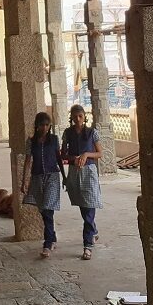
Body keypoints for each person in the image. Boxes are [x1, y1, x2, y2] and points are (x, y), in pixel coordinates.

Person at [20, 112, 66, 258]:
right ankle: (52, 236)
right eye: (42, 125)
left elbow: (58, 158)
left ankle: (47, 243)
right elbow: (28, 162)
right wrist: (24, 181)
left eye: (47, 125)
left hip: (52, 176)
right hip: (37, 177)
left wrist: (64, 176)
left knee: (48, 207)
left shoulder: (54, 140)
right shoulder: (31, 142)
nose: (44, 128)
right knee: (43, 210)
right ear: (37, 126)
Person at [61, 104, 103, 260]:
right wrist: (74, 158)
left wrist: (86, 154)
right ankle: (94, 230)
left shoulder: (92, 133)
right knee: (83, 207)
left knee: (89, 206)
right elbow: (63, 154)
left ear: (85, 116)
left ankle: (87, 245)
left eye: (80, 116)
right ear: (71, 117)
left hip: (89, 173)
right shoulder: (67, 133)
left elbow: (100, 153)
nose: (78, 119)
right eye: (75, 116)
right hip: (75, 172)